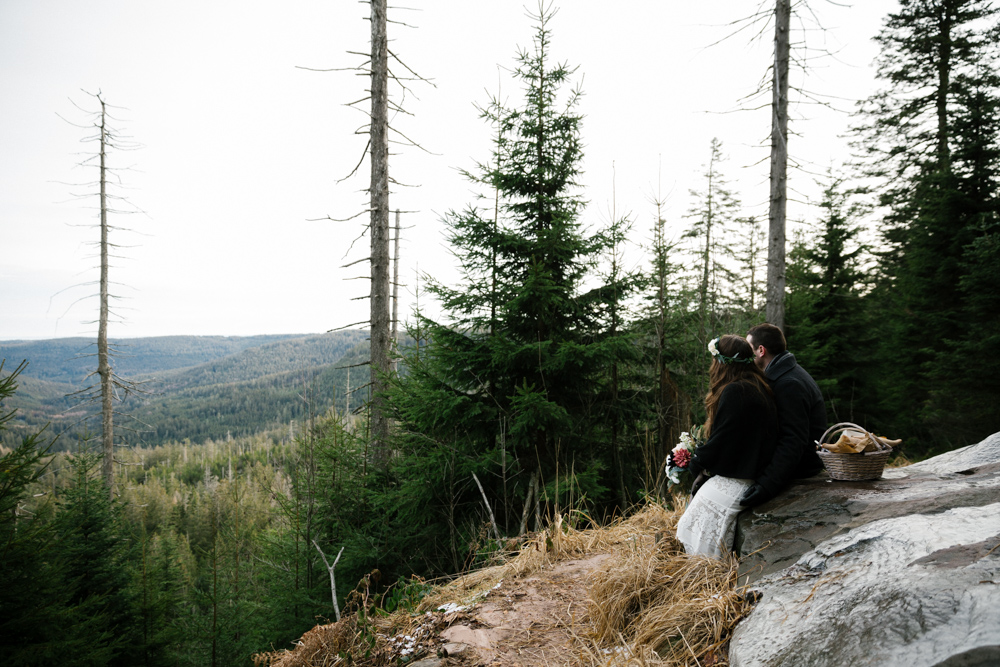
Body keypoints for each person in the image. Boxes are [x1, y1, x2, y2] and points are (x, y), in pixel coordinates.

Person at [676, 334, 778, 558]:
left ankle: (707, 571)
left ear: (722, 363)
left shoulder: (736, 391)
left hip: (740, 477)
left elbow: (723, 440)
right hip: (750, 470)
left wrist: (697, 461)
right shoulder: (758, 385)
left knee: (691, 523)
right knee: (690, 518)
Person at [739, 323, 826, 508]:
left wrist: (766, 485)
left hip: (802, 468)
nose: (747, 356)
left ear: (761, 350)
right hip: (795, 464)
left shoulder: (788, 383)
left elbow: (793, 440)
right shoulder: (784, 373)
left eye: (749, 349)